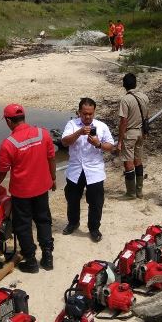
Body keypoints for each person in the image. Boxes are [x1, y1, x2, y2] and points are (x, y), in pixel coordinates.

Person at [0, 104, 56, 274]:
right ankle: (47, 258)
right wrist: (53, 178)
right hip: (41, 187)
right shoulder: (43, 133)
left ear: (9, 121)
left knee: (23, 225)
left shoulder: (8, 144)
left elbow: (2, 170)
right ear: (24, 117)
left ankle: (31, 261)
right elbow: (51, 158)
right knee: (43, 220)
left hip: (22, 192)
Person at [61, 98, 115, 242]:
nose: (88, 117)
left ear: (94, 112)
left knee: (96, 202)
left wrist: (98, 144)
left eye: (90, 114)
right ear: (79, 112)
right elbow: (64, 142)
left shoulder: (101, 126)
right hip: (75, 170)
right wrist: (79, 132)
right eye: (85, 113)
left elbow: (111, 146)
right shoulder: (71, 124)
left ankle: (94, 228)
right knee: (72, 199)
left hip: (95, 171)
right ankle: (73, 223)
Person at [117, 73, 149, 198]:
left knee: (128, 162)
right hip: (141, 132)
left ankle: (130, 193)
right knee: (138, 161)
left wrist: (120, 141)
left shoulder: (125, 100)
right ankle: (139, 191)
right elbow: (147, 115)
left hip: (130, 133)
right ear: (135, 83)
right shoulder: (144, 97)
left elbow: (123, 121)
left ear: (124, 85)